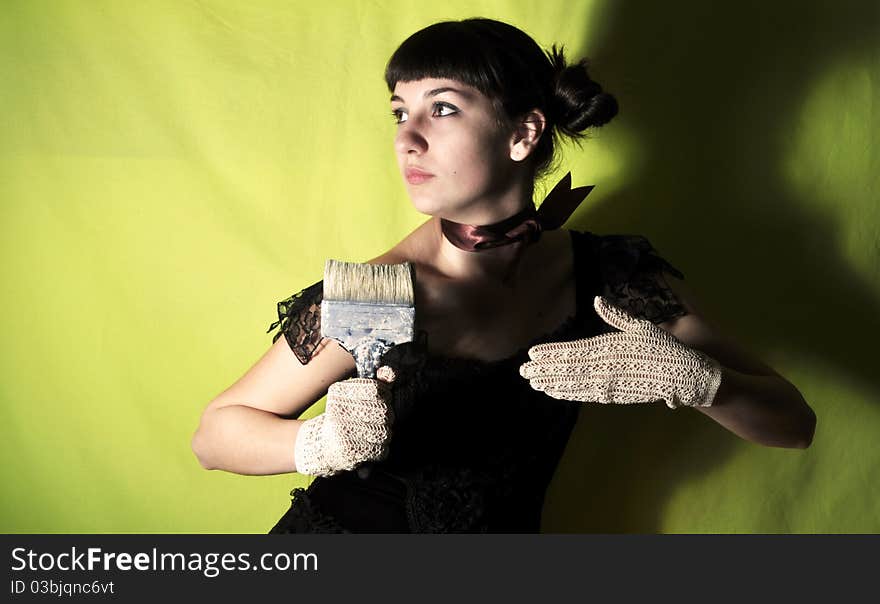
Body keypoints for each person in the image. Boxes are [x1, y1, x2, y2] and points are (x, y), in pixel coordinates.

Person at [191, 18, 816, 533]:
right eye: (398, 112)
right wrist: (318, 444)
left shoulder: (608, 274)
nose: (407, 138)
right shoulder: (376, 291)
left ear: (522, 134)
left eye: (441, 109)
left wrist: (699, 383)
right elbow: (214, 436)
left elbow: (794, 425)